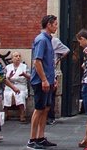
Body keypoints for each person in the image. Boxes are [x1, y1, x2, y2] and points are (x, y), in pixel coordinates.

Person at [28, 13, 59, 149]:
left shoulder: (48, 39)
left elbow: (48, 62)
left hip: (48, 79)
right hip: (41, 81)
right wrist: (45, 80)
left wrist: (52, 79)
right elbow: (37, 61)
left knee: (45, 108)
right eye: (55, 24)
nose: (56, 27)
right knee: (39, 109)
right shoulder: (41, 40)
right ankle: (32, 139)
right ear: (49, 24)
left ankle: (40, 137)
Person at [3, 52, 30, 123]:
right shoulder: (8, 67)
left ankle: (22, 114)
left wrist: (24, 74)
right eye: (16, 56)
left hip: (21, 86)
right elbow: (4, 79)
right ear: (12, 59)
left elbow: (30, 77)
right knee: (6, 95)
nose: (18, 57)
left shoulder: (24, 66)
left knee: (20, 95)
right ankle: (6, 113)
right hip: (10, 86)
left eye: (19, 56)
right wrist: (9, 77)